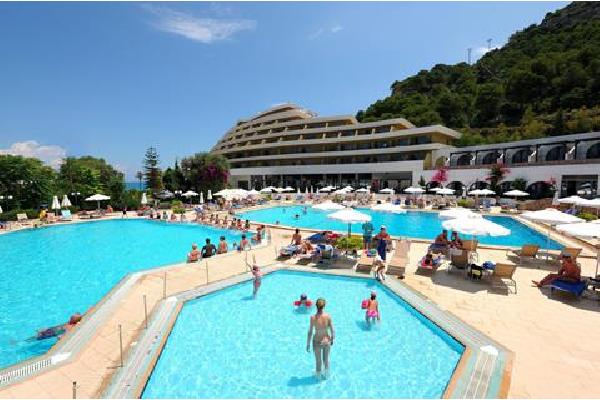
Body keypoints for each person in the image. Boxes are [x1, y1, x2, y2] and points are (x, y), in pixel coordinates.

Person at [307, 298, 335, 379]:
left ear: (316, 306)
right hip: (326, 341)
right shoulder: (328, 316)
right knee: (326, 360)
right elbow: (332, 330)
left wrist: (308, 344)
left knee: (318, 361)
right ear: (324, 306)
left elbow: (310, 332)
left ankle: (318, 378)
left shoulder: (313, 318)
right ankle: (326, 375)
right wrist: (332, 339)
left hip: (317, 341)